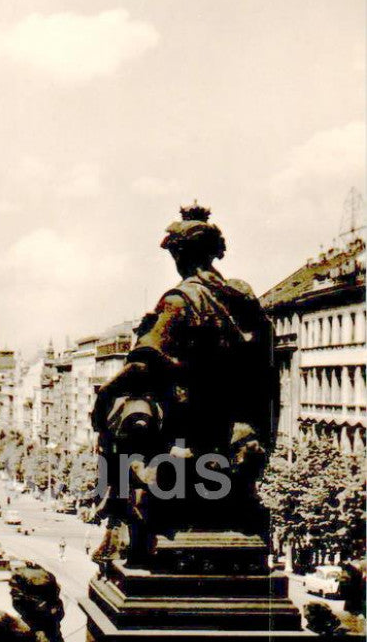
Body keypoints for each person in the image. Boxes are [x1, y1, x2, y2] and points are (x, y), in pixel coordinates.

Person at [91, 203, 277, 565]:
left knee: (123, 423)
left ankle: (117, 518)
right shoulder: (243, 297)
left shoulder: (180, 300)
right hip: (240, 422)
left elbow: (144, 364)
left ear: (180, 254)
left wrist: (106, 394)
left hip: (190, 426)